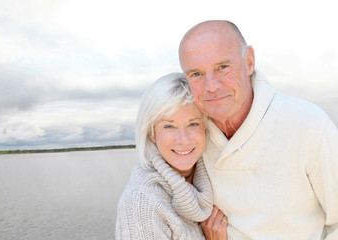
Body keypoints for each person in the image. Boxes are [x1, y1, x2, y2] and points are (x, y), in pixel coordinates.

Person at [178, 20, 338, 239]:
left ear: (249, 62)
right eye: (196, 74)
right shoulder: (189, 137)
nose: (211, 86)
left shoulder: (308, 125)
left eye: (223, 67)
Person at [115, 72, 228, 239]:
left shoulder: (210, 174)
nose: (183, 139)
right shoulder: (143, 205)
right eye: (169, 126)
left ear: (205, 127)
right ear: (152, 133)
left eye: (193, 123)